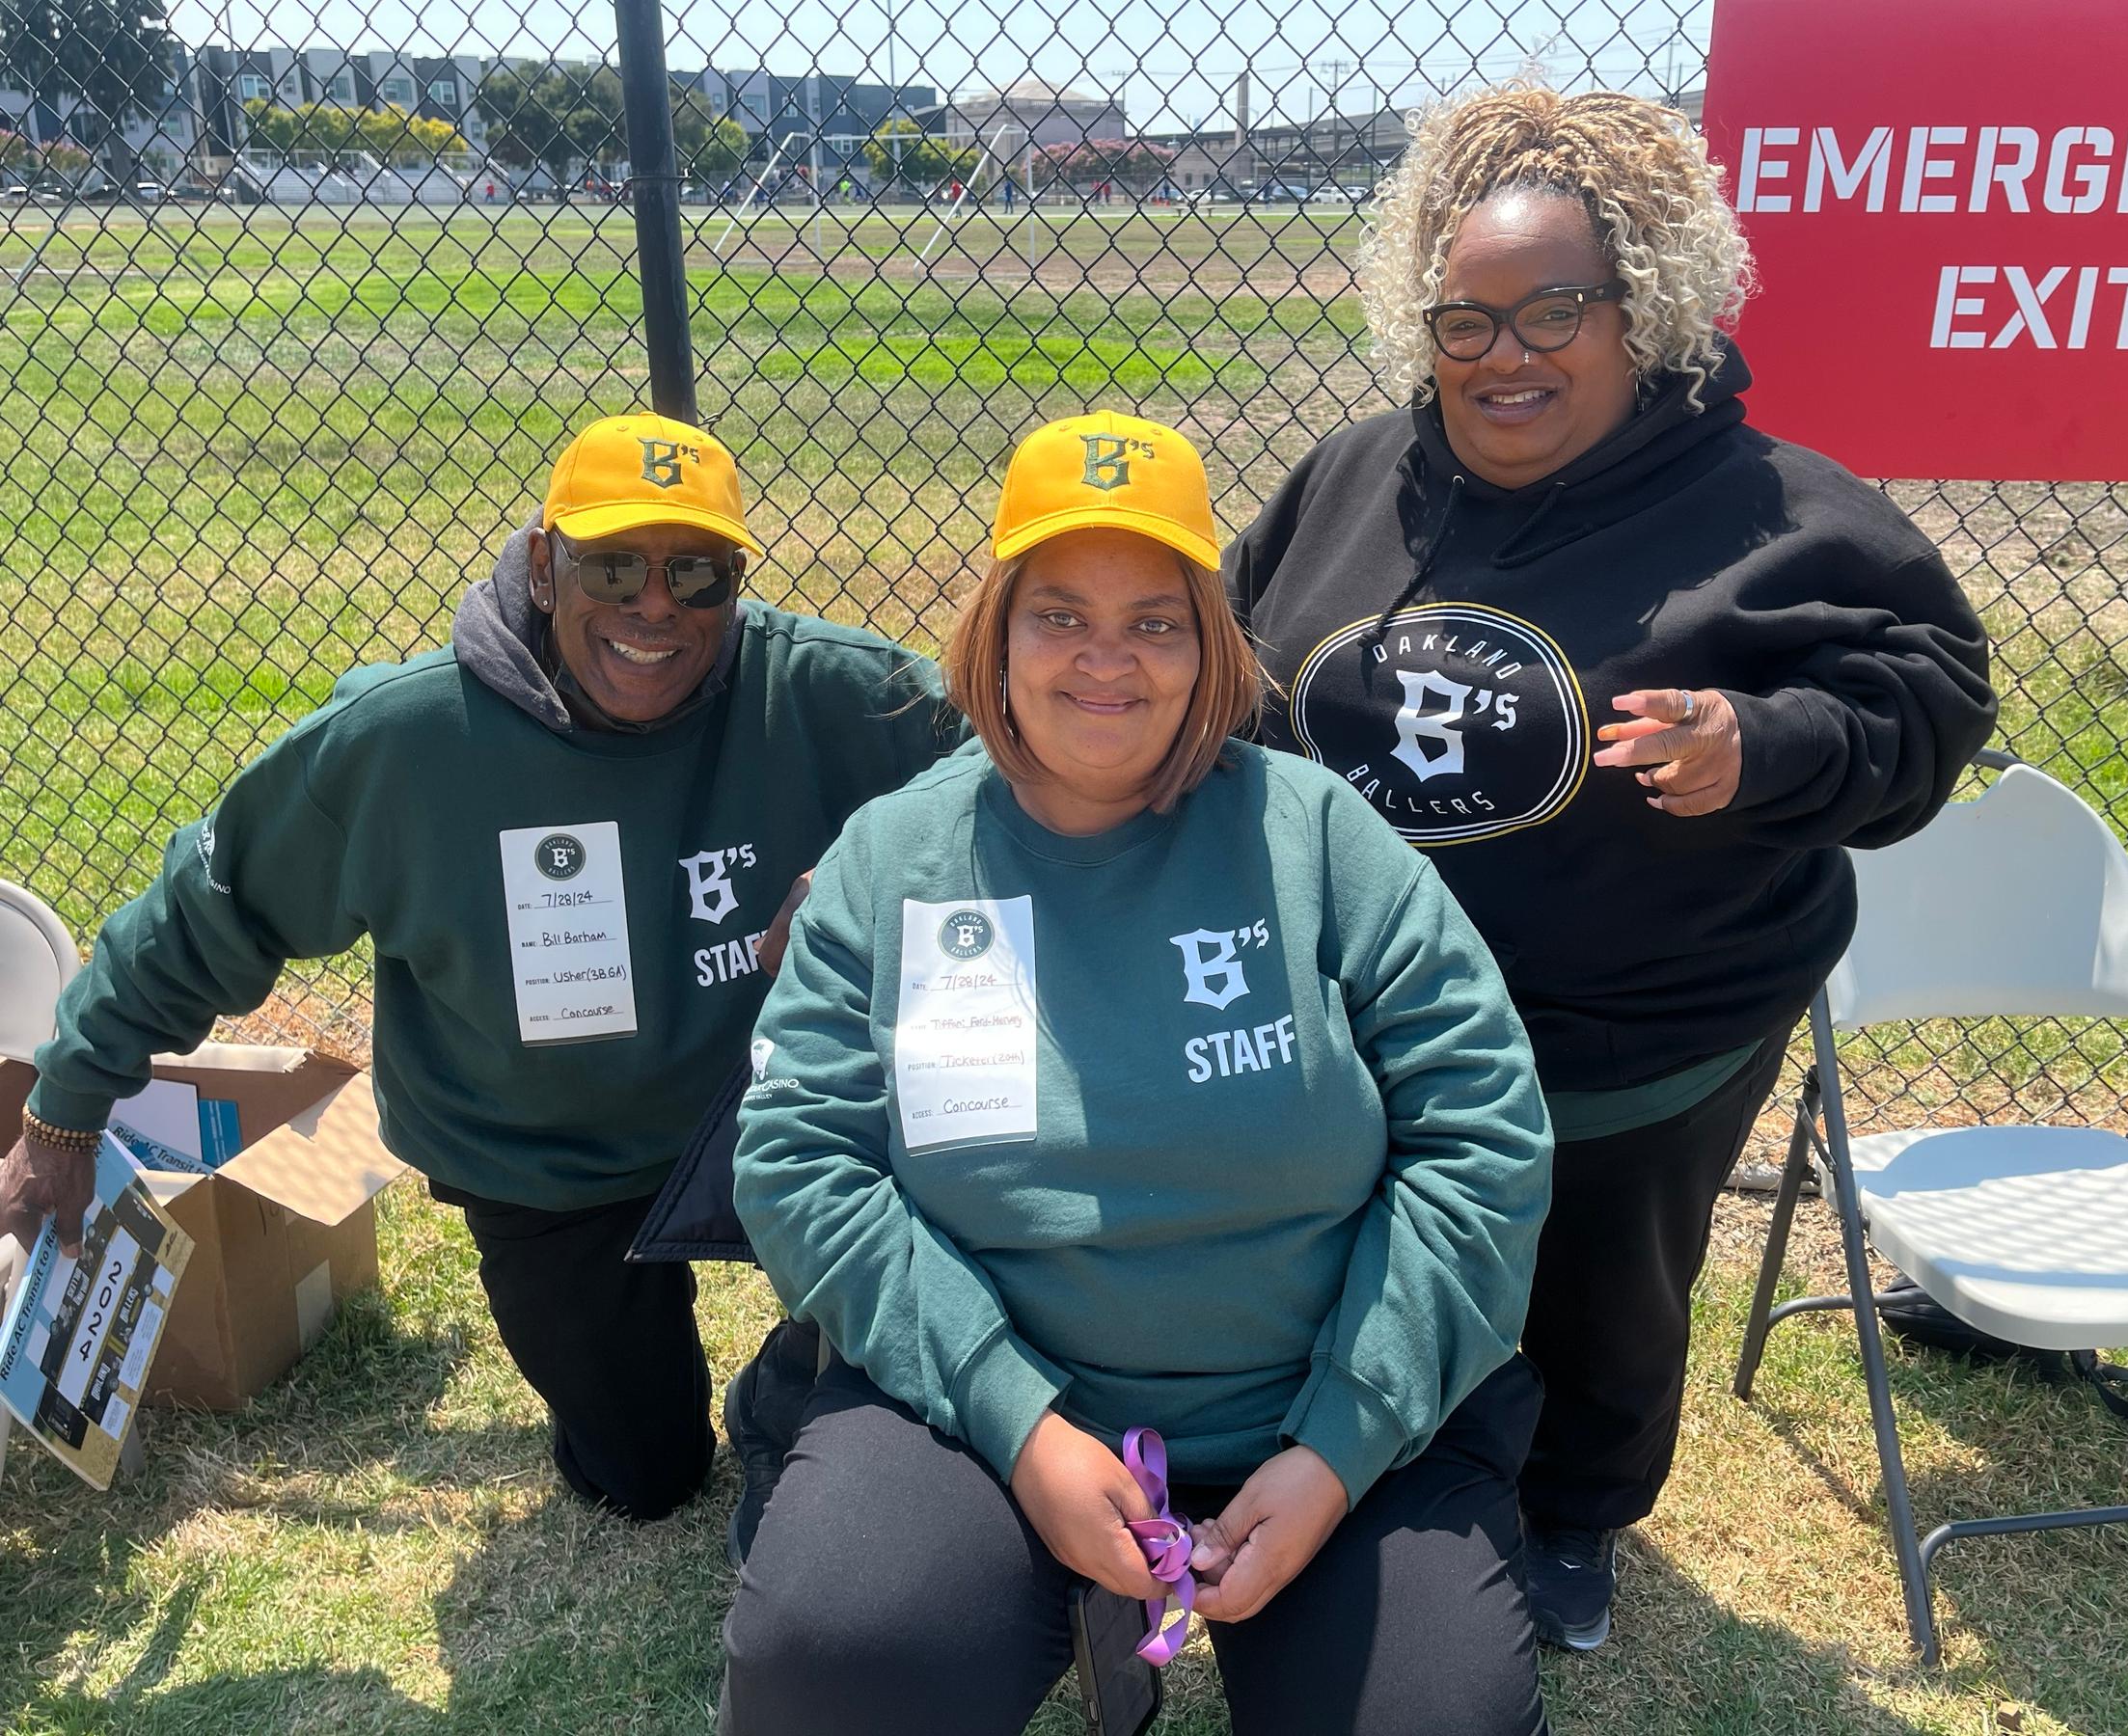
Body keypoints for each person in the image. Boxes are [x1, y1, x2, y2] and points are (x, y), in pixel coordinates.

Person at [1225, 85, 1999, 1651]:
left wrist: (1762, 746)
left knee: (1599, 1293)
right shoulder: (1355, 478)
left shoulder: (1773, 512)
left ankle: (1575, 1512)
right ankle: (1371, 1457)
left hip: (1629, 1030)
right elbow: (1237, 661)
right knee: (1360, 1250)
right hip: (1366, 1012)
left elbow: (1929, 702)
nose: (1502, 354)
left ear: (1643, 306)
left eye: (1554, 311)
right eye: (1465, 319)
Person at [718, 412, 1555, 1736]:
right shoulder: (893, 860)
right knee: (834, 1659)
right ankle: (1053, 1576)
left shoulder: (1319, 839)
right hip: (990, 1411)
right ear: (996, 632)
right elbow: (799, 1160)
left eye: (1155, 622)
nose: (1105, 659)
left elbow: (1483, 1135)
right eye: (1059, 614)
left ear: (1210, 643)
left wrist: (1340, 1447)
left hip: (1320, 1406)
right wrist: (1022, 1427)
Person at [0, 412, 952, 1529]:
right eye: (614, 565)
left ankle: (804, 1363)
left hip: (781, 1115)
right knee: (644, 1481)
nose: (657, 605)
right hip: (545, 1159)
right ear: (544, 567)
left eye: (698, 572)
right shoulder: (404, 740)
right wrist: (65, 1113)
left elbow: (1030, 760)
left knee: (907, 1374)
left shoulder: (834, 693)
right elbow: (210, 909)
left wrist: (864, 876)